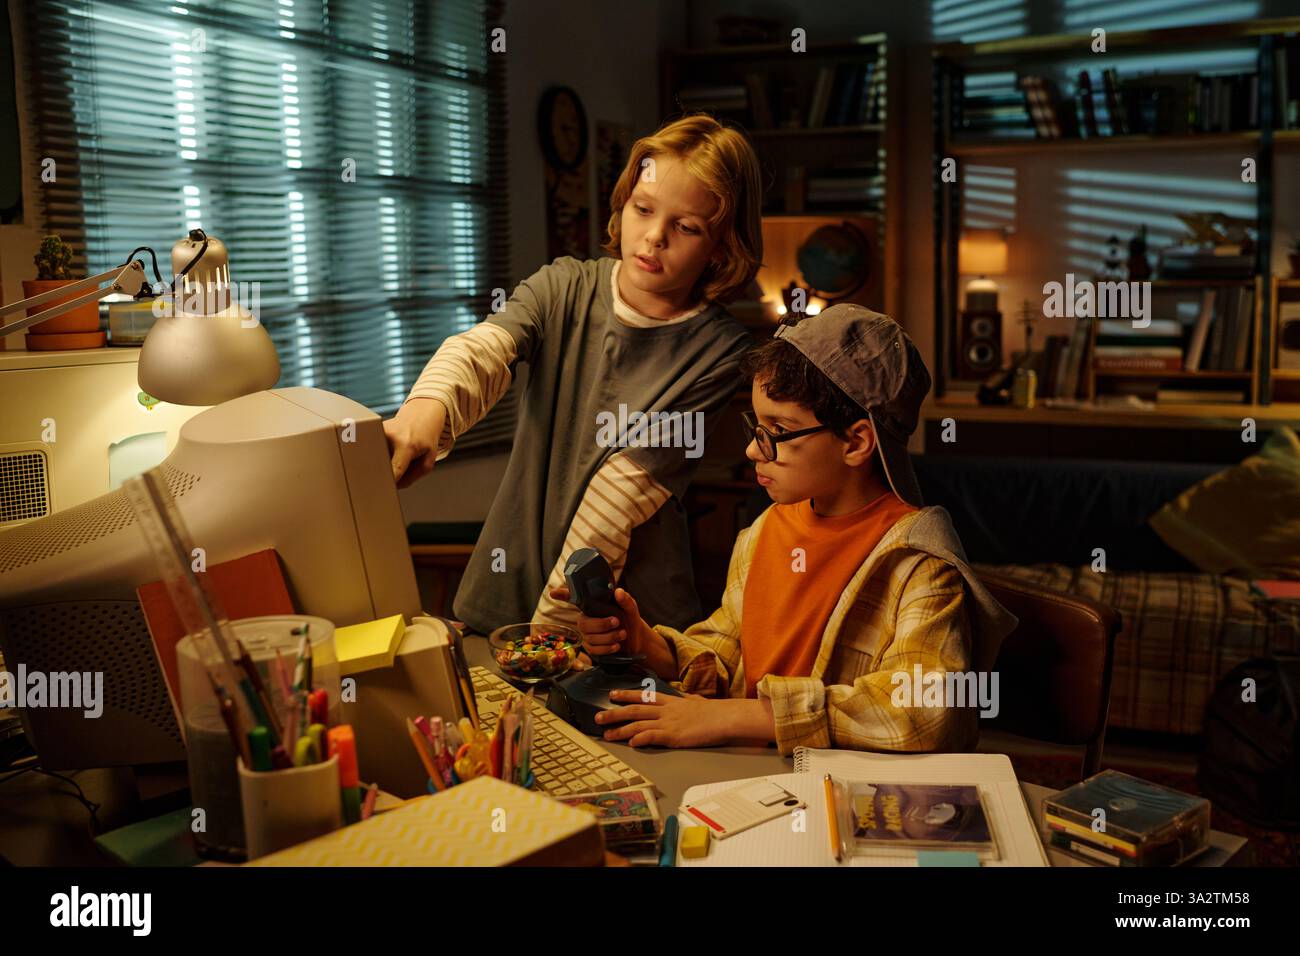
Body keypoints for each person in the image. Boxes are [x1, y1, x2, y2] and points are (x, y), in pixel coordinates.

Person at [557, 305, 1019, 755]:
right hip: (740, 771)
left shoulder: (919, 562)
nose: (753, 450)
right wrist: (644, 642)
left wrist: (739, 717)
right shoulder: (764, 531)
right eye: (756, 425)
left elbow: (926, 712)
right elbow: (728, 656)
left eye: (777, 430)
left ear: (856, 441)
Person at [383, 115, 762, 634]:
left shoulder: (721, 351)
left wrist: (552, 632)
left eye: (687, 227)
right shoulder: (561, 287)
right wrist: (424, 412)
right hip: (511, 580)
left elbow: (623, 494)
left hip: (626, 612)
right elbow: (484, 350)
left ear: (721, 246)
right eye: (643, 209)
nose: (653, 237)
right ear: (623, 202)